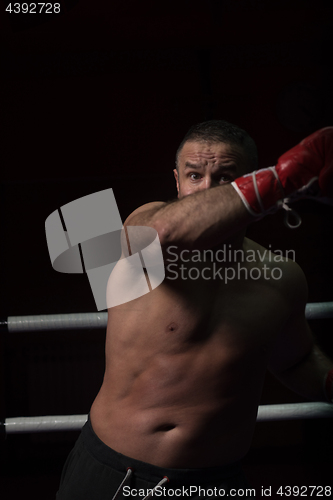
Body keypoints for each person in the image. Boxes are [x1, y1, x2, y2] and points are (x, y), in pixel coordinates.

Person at [56, 121, 333, 500]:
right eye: (194, 175)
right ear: (177, 182)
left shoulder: (281, 278)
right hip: (113, 473)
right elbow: (166, 231)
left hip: (213, 483)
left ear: (245, 180)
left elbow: (296, 360)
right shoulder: (145, 226)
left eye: (224, 178)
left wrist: (328, 380)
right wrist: (284, 178)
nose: (205, 188)